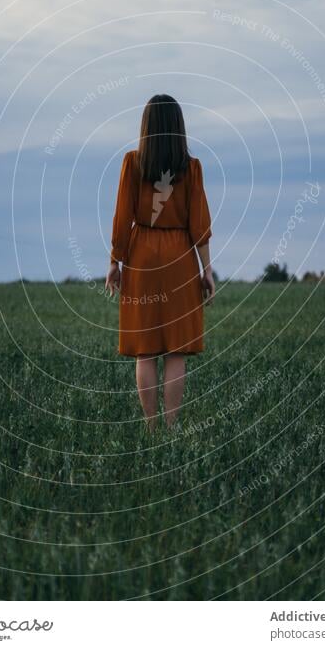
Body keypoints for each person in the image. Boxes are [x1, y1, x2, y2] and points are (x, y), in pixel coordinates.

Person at [105, 94, 215, 429]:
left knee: (145, 349)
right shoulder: (191, 168)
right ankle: (170, 426)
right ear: (179, 127)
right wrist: (206, 269)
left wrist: (115, 262)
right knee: (176, 350)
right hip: (180, 257)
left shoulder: (132, 163)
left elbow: (123, 217)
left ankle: (151, 427)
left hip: (141, 258)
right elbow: (200, 223)